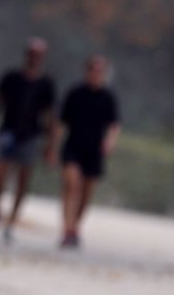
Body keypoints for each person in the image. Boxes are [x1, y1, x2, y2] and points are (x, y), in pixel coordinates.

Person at [0, 37, 56, 244]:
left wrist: (51, 145)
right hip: (8, 132)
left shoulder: (46, 84)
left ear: (43, 58)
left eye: (39, 55)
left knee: (22, 181)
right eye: (32, 54)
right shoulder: (11, 77)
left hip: (31, 135)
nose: (35, 58)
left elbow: (50, 116)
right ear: (26, 55)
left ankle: (12, 221)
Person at [50, 55, 121, 249]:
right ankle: (67, 228)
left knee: (86, 192)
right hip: (73, 146)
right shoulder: (75, 93)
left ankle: (75, 227)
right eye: (93, 70)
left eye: (100, 71)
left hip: (94, 150)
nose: (96, 75)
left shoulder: (108, 97)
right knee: (71, 184)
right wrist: (53, 148)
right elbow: (61, 122)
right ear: (87, 71)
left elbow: (114, 125)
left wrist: (109, 141)